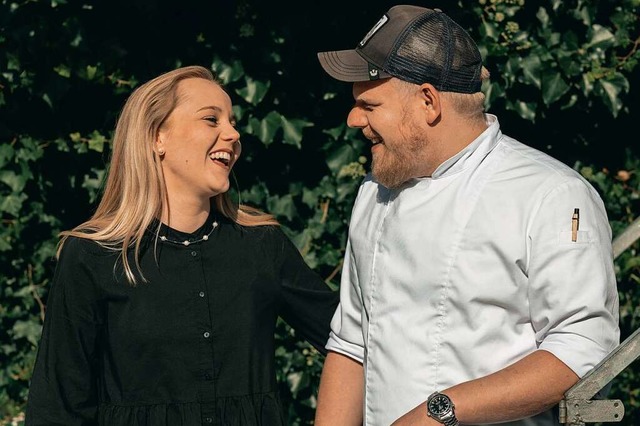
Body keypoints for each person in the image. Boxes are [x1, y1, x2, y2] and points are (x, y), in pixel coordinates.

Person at [314, 5, 620, 426]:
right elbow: (351, 343)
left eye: (369, 104)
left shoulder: (551, 194)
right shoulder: (374, 192)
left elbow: (582, 345)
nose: (353, 120)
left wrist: (438, 413)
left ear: (427, 102)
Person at [24, 65, 339, 426]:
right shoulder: (93, 256)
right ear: (158, 137)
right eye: (211, 119)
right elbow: (57, 406)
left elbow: (351, 340)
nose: (233, 133)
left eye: (232, 121)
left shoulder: (262, 245)